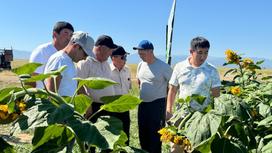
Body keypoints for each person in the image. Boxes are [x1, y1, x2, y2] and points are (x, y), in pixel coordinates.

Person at [166, 36, 221, 153]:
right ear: (191, 51)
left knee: (196, 148)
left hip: (202, 118)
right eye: (200, 52)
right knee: (176, 148)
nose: (203, 56)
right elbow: (173, 90)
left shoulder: (212, 70)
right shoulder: (180, 67)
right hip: (181, 116)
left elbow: (216, 96)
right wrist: (169, 111)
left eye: (206, 53)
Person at [133, 40, 172, 153]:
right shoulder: (140, 65)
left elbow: (173, 85)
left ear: (151, 51)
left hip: (157, 105)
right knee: (142, 133)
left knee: (155, 136)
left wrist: (166, 102)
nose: (140, 56)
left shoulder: (163, 67)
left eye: (142, 53)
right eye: (139, 53)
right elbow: (140, 81)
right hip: (142, 104)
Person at [44, 31, 94, 97]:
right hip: (58, 107)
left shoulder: (69, 61)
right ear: (76, 46)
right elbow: (51, 92)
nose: (85, 59)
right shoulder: (59, 60)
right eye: (85, 54)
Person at [29, 21, 74, 88]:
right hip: (43, 95)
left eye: (71, 35)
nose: (69, 38)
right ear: (55, 34)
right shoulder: (42, 51)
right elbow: (32, 78)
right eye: (66, 33)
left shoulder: (67, 55)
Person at [110, 46, 131, 145]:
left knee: (125, 135)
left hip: (125, 108)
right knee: (111, 137)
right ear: (114, 57)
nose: (125, 59)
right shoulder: (107, 71)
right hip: (112, 109)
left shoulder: (127, 70)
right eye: (123, 57)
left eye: (125, 56)